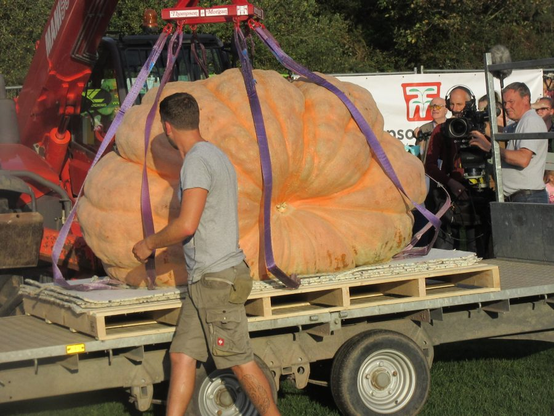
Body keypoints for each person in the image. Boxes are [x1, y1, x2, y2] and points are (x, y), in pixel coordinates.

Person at [132, 93, 280, 416]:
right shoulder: (216, 155)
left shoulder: (196, 162)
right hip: (207, 281)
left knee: (239, 363)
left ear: (167, 128)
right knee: (182, 355)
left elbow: (187, 225)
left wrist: (149, 244)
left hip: (217, 281)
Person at [470, 82, 548, 203]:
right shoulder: (520, 123)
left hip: (527, 198)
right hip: (522, 197)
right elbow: (499, 133)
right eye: (505, 102)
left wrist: (490, 148)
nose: (506, 106)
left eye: (511, 102)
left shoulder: (530, 121)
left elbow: (523, 159)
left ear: (526, 99)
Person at [414, 97, 448, 161]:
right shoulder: (424, 129)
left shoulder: (452, 127)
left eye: (438, 107)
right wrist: (419, 140)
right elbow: (420, 153)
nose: (434, 109)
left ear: (446, 109)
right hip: (429, 167)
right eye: (432, 107)